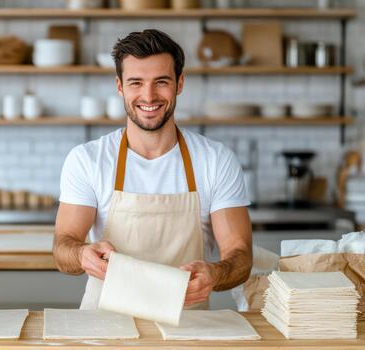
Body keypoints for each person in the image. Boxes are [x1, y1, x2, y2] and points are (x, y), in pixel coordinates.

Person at [53, 29, 252, 309]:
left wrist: (215, 274)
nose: (148, 95)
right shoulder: (88, 159)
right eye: (136, 82)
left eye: (161, 82)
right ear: (120, 86)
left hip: (188, 327)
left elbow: (240, 255)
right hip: (104, 327)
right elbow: (64, 246)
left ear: (179, 83)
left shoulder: (216, 160)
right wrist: (81, 254)